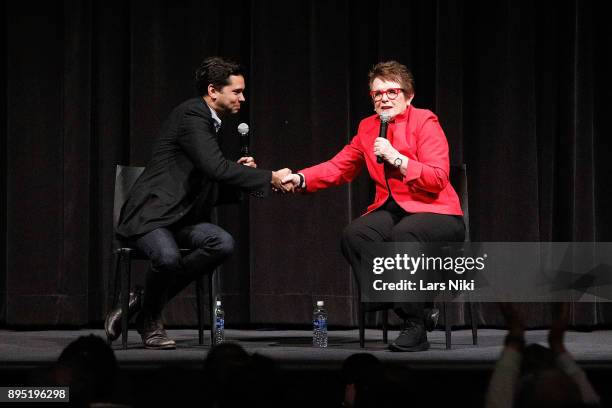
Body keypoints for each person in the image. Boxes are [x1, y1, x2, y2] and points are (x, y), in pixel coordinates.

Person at [105, 56, 292, 350]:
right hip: (152, 215)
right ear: (213, 90)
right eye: (237, 91)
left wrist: (244, 175)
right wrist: (269, 178)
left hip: (180, 218)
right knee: (166, 258)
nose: (243, 98)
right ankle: (150, 317)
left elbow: (207, 177)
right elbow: (215, 169)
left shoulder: (209, 123)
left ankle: (141, 301)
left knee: (221, 242)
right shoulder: (192, 116)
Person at [282, 61, 464, 352]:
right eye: (377, 94)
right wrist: (302, 178)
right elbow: (339, 166)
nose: (384, 98)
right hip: (394, 210)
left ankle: (414, 326)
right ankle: (417, 312)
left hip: (437, 212)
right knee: (356, 234)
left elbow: (438, 178)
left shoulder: (425, 121)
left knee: (404, 235)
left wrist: (395, 157)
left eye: (392, 91)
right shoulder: (368, 128)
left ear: (409, 95)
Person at [485, 303, 601, 408]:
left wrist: (515, 335)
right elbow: (590, 401)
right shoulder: (586, 399)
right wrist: (557, 344)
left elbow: (499, 398)